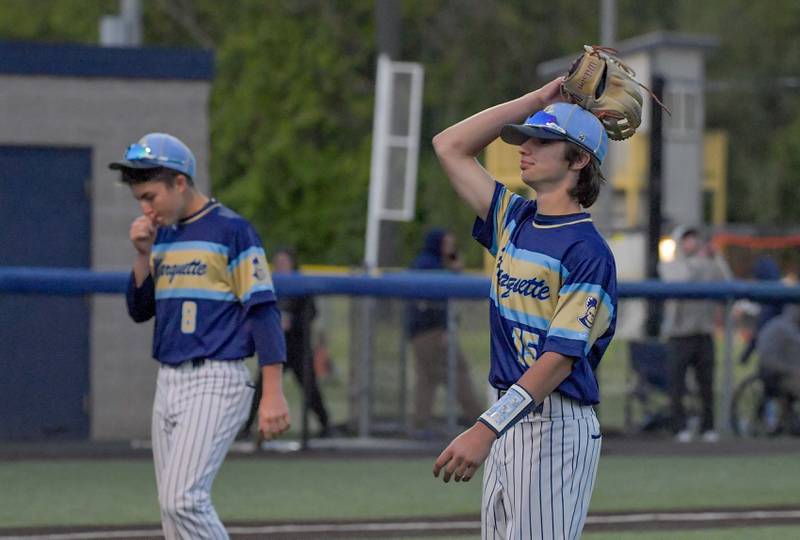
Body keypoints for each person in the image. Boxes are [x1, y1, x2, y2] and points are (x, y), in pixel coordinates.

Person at [431, 79, 618, 540]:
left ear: (578, 160)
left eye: (543, 139)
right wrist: (538, 100)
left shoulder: (588, 251)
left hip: (554, 423)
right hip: (509, 420)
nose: (525, 147)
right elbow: (449, 145)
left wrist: (485, 428)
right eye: (526, 137)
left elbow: (558, 360)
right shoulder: (512, 220)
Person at [113, 132, 290, 539]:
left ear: (179, 182)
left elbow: (262, 310)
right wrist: (142, 254)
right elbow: (140, 310)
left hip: (217, 377)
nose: (144, 207)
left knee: (184, 500)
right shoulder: (164, 235)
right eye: (139, 197)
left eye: (150, 196)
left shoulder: (232, 230)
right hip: (169, 380)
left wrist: (273, 390)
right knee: (172, 514)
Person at [242, 248, 331, 439]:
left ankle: (326, 425)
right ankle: (247, 427)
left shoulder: (302, 285)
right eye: (278, 262)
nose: (281, 266)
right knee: (261, 389)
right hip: (274, 349)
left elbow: (311, 314)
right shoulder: (266, 284)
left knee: (310, 387)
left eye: (285, 262)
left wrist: (292, 321)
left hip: (297, 347)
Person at [407, 229, 484, 434]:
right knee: (457, 372)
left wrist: (454, 265)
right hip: (431, 332)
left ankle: (421, 424)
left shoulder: (434, 263)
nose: (451, 248)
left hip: (423, 333)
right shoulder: (428, 265)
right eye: (447, 244)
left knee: (427, 378)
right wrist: (443, 328)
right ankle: (478, 420)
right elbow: (429, 303)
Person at [659, 226, 728, 443]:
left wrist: (716, 257)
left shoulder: (709, 263)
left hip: (704, 333)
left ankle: (708, 427)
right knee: (677, 385)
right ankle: (679, 427)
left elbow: (726, 281)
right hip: (679, 335)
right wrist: (701, 260)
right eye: (687, 239)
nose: (693, 243)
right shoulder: (669, 265)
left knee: (706, 385)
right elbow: (684, 278)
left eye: (695, 238)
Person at [754, 304, 800, 434]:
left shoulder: (781, 325)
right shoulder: (785, 328)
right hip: (774, 375)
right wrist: (792, 370)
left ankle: (787, 422)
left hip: (777, 371)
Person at [738, 255, 784, 365]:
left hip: (778, 355)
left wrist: (746, 354)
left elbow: (762, 328)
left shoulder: (773, 298)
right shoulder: (779, 292)